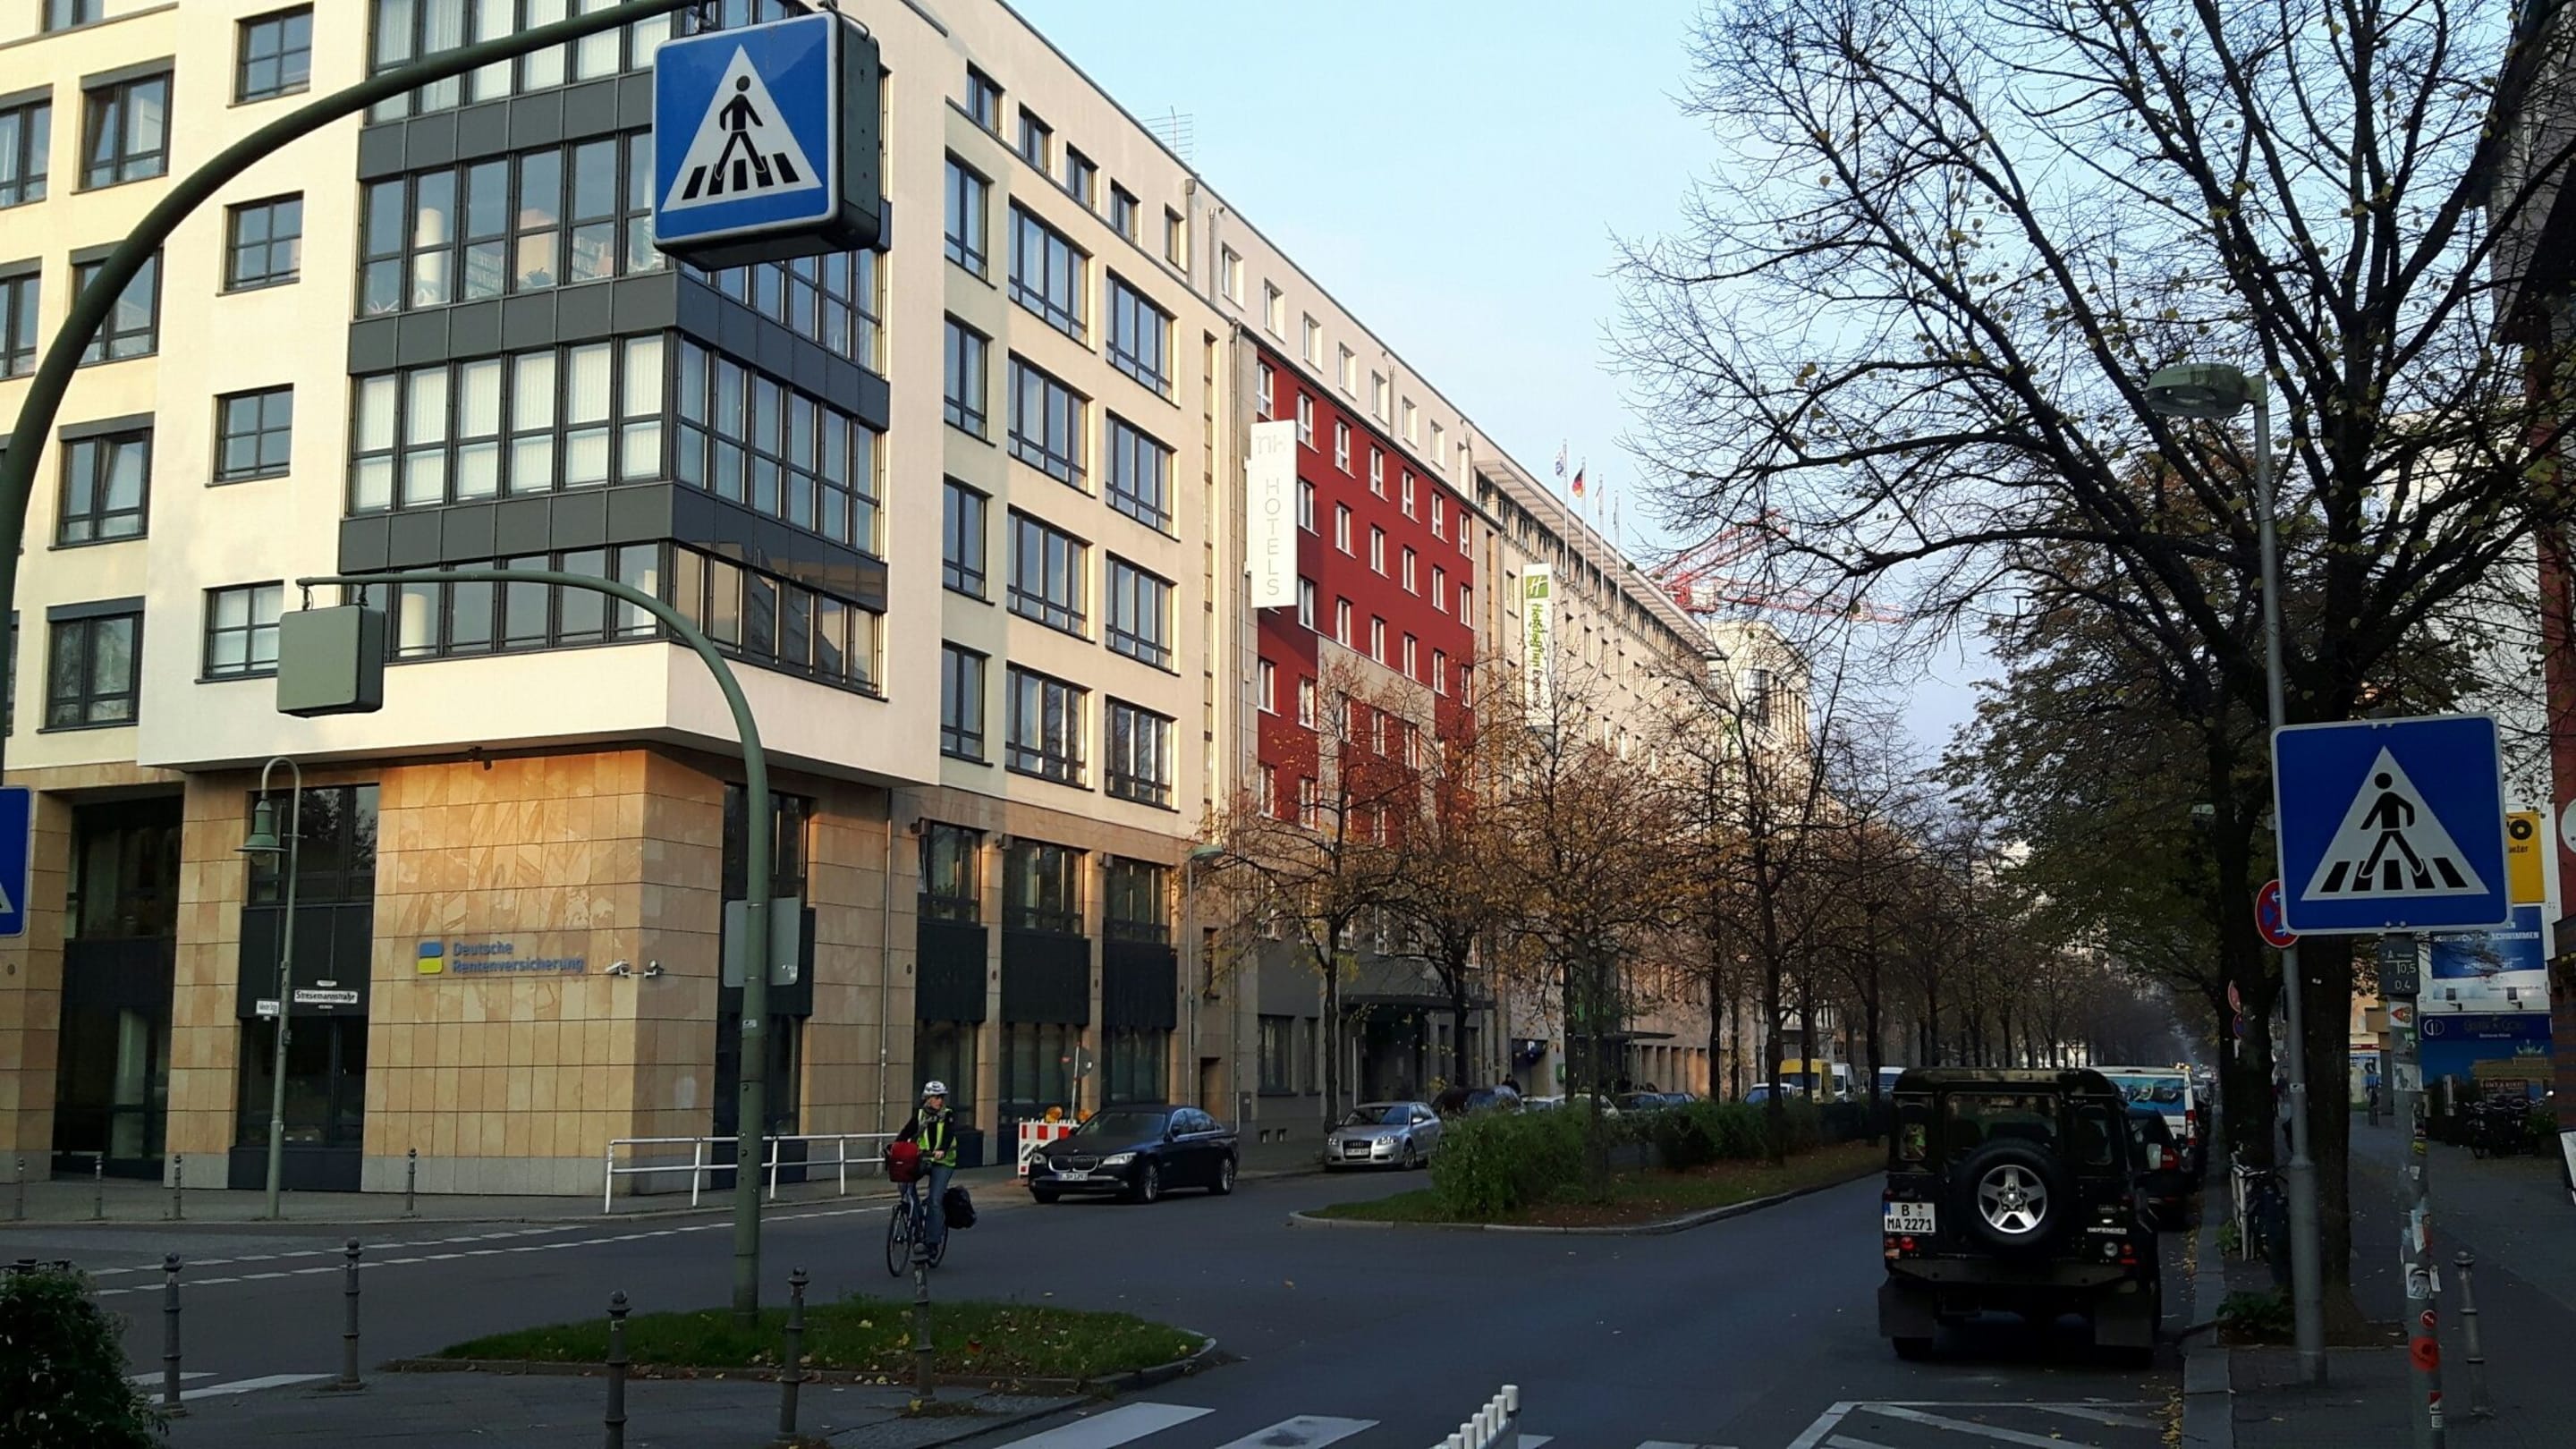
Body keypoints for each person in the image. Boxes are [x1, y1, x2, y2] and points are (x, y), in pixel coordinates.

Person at [896, 1080, 960, 1256]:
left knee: (935, 1200)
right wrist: (894, 1147)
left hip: (943, 1162)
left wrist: (942, 1150)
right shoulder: (919, 1115)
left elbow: (948, 1134)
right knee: (905, 1187)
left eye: (942, 1097)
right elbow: (906, 1133)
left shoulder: (947, 1115)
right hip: (923, 1160)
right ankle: (917, 1221)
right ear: (928, 1098)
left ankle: (932, 1242)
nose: (940, 1101)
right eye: (936, 1097)